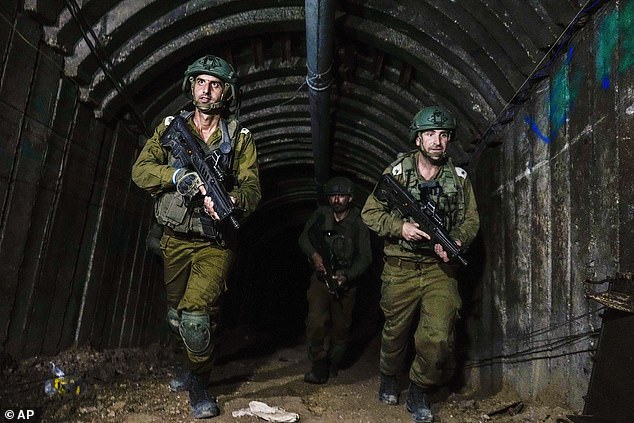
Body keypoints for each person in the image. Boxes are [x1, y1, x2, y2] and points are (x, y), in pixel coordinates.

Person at [131, 54, 261, 419]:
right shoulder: (171, 127)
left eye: (214, 84)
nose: (206, 90)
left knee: (195, 318)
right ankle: (187, 365)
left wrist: (232, 200)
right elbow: (140, 171)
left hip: (215, 243)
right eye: (200, 82)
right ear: (191, 87)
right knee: (175, 316)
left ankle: (200, 383)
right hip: (174, 237)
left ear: (225, 92)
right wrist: (176, 178)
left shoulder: (239, 138)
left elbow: (253, 189)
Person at [361, 106, 480, 423]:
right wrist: (400, 228)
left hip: (439, 271)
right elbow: (370, 213)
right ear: (418, 139)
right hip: (400, 268)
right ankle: (388, 374)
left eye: (443, 135)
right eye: (430, 134)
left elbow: (470, 221)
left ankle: (419, 390)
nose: (437, 141)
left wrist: (454, 241)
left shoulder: (459, 179)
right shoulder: (397, 173)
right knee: (395, 334)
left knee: (438, 337)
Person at [298, 176, 372, 384]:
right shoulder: (321, 215)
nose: (336, 200)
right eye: (332, 196)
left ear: (350, 198)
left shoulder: (359, 221)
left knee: (341, 329)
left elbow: (366, 257)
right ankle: (318, 365)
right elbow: (304, 238)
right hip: (321, 279)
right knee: (315, 322)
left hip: (346, 282)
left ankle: (333, 364)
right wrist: (314, 256)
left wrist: (347, 276)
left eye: (340, 196)